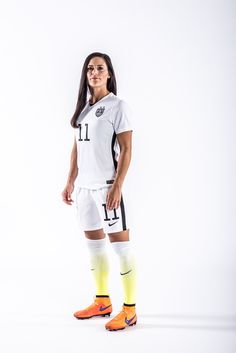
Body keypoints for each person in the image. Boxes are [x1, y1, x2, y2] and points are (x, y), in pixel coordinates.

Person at [61, 52, 137, 331]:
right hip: (84, 188)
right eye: (90, 68)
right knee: (93, 244)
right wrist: (70, 180)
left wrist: (118, 185)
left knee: (121, 246)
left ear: (109, 74)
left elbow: (127, 149)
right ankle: (102, 301)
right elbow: (77, 148)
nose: (94, 72)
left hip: (106, 187)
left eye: (100, 68)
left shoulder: (118, 106)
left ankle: (129, 309)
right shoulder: (83, 109)